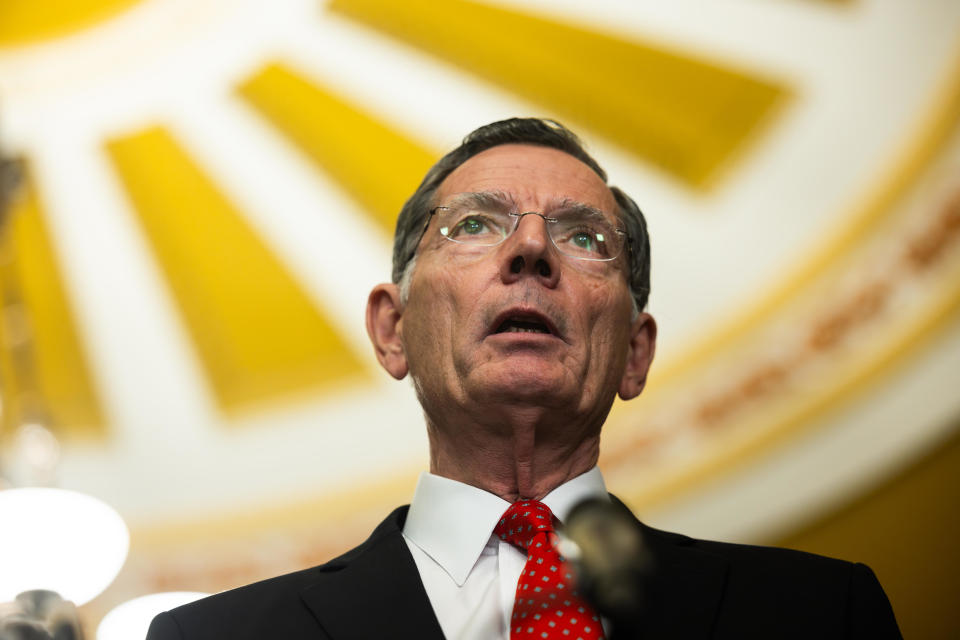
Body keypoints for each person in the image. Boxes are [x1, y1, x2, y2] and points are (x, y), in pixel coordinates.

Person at [145, 118, 901, 639]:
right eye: (473, 225)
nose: (533, 249)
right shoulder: (215, 636)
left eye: (583, 237)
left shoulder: (820, 614)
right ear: (392, 328)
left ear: (635, 353)